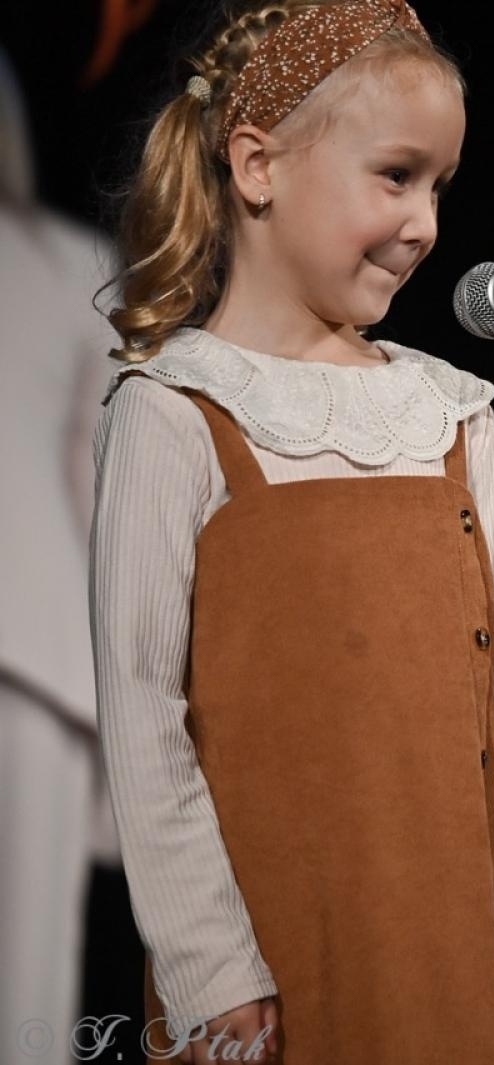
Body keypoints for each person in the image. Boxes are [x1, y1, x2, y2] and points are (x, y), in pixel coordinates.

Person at [90, 2, 494, 1061]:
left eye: (439, 186)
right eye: (396, 176)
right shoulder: (177, 414)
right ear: (257, 165)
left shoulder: (454, 417)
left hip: (438, 939)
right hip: (269, 959)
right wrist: (209, 964)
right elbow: (142, 712)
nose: (426, 223)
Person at [0, 43, 121, 1065]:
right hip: (30, 662)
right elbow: (109, 502)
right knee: (23, 992)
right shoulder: (75, 273)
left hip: (32, 669)